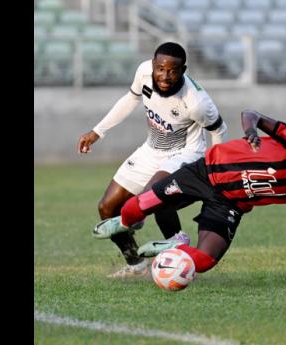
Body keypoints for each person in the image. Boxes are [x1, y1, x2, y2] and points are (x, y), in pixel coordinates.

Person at [92, 109, 286, 285]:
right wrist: (251, 132)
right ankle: (123, 223)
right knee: (143, 203)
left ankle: (172, 250)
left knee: (206, 261)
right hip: (206, 172)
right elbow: (251, 114)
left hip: (229, 204)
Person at [77, 42, 228, 278]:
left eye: (172, 70)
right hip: (151, 150)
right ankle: (136, 264)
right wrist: (98, 131)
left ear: (183, 70)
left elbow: (219, 130)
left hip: (185, 153)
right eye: (160, 69)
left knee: (154, 195)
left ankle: (178, 245)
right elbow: (130, 99)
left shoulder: (196, 102)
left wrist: (215, 171)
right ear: (152, 65)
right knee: (106, 208)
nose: (165, 76)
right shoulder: (143, 72)